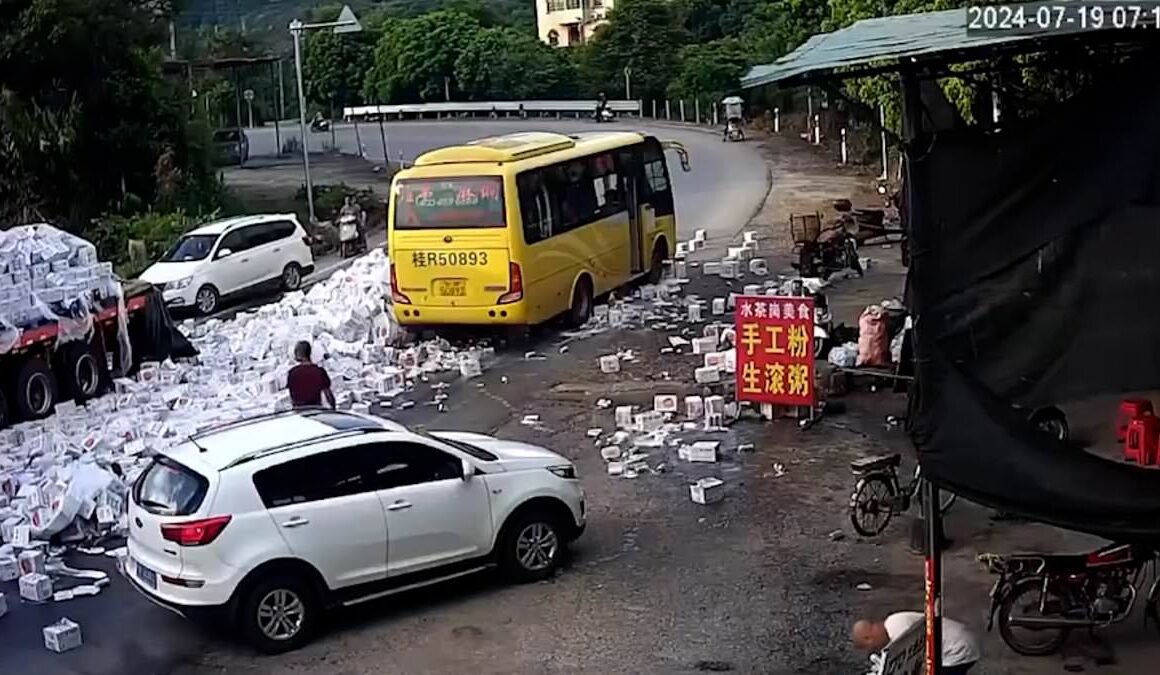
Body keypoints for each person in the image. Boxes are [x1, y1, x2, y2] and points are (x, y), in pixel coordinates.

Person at [852, 612, 980, 675]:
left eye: (874, 647)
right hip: (960, 641)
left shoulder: (899, 633)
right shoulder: (893, 621)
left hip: (957, 650)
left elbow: (910, 665)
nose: (877, 649)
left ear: (868, 637)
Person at [287, 341, 335, 409]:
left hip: (298, 411)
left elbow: (292, 397)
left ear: (298, 354)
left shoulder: (292, 373)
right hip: (315, 410)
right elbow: (329, 396)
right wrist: (334, 410)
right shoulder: (319, 371)